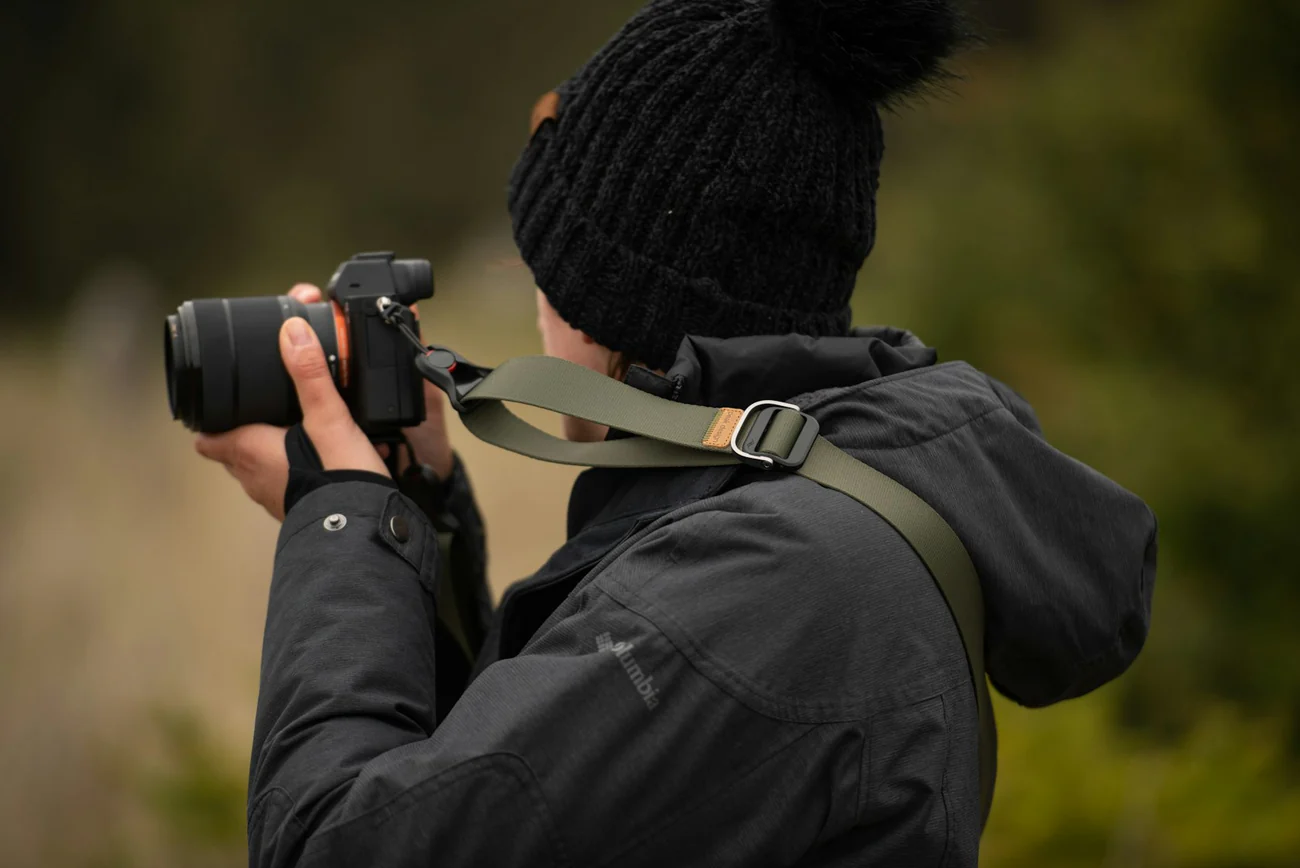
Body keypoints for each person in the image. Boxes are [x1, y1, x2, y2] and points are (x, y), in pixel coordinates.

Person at [195, 1, 1157, 865]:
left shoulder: (776, 581)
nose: (538, 316)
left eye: (546, 278)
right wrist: (417, 514)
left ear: (613, 308)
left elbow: (337, 847)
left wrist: (340, 528)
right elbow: (524, 805)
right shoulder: (796, 515)